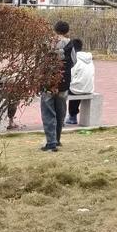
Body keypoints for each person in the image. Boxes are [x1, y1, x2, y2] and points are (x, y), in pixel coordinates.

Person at [40, 19, 75, 151]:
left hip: (47, 82)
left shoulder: (47, 42)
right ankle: (57, 140)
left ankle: (51, 142)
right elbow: (74, 61)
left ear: (54, 30)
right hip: (64, 82)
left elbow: (40, 61)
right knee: (60, 112)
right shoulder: (70, 44)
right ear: (67, 31)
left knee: (48, 113)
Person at [66, 38, 94, 126]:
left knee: (63, 90)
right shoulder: (89, 59)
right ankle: (72, 115)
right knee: (78, 86)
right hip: (89, 88)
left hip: (76, 89)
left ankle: (68, 117)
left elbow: (70, 75)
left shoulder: (74, 59)